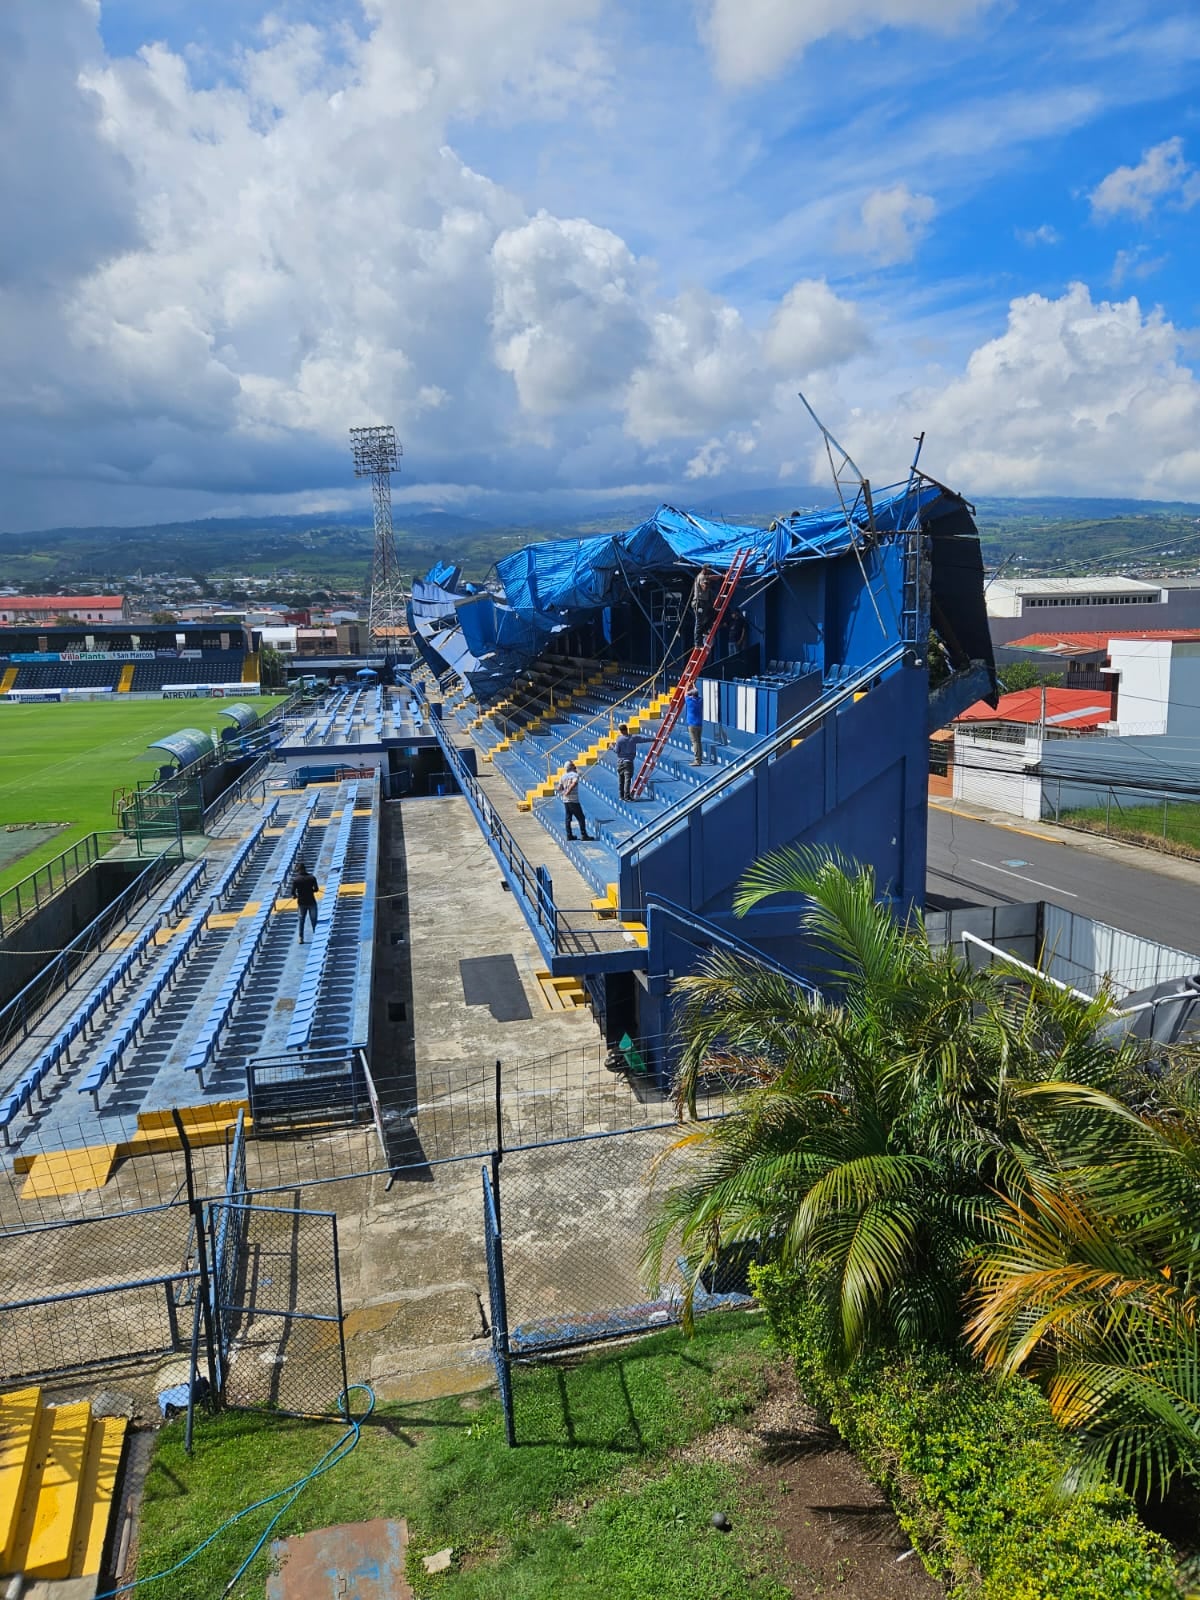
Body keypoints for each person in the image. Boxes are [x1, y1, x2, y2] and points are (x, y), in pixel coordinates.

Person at [613, 722, 650, 802]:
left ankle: (621, 796)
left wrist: (612, 747)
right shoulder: (633, 738)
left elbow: (616, 750)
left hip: (620, 762)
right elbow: (643, 739)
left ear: (621, 731)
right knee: (627, 780)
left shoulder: (619, 739)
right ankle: (627, 796)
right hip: (628, 762)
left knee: (621, 780)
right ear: (627, 729)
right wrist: (654, 739)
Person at [556, 761, 592, 841]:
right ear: (571, 767)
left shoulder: (563, 776)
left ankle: (569, 835)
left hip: (565, 800)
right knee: (581, 817)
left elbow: (559, 788)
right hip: (573, 800)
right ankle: (584, 834)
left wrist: (563, 791)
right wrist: (568, 791)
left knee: (568, 818)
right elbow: (574, 783)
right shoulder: (575, 775)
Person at [291, 861, 320, 945]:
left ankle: (301, 938)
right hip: (311, 901)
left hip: (301, 903)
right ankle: (316, 936)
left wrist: (295, 895)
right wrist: (310, 890)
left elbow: (293, 892)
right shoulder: (312, 878)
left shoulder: (296, 880)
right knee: (314, 920)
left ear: (299, 870)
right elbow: (316, 889)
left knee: (301, 921)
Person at [690, 567, 716, 649]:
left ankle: (705, 630)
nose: (709, 572)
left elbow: (712, 577)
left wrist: (721, 576)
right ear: (704, 569)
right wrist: (708, 582)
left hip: (704, 602)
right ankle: (698, 643)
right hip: (699, 603)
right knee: (699, 622)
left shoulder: (705, 576)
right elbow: (704, 588)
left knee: (712, 613)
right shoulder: (701, 577)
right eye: (708, 571)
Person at [684, 689, 704, 766]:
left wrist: (687, 687)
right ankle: (700, 759)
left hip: (692, 725)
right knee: (698, 742)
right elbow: (695, 694)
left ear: (692, 695)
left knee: (695, 742)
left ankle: (697, 760)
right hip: (699, 724)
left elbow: (685, 693)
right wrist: (694, 689)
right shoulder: (700, 700)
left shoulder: (689, 701)